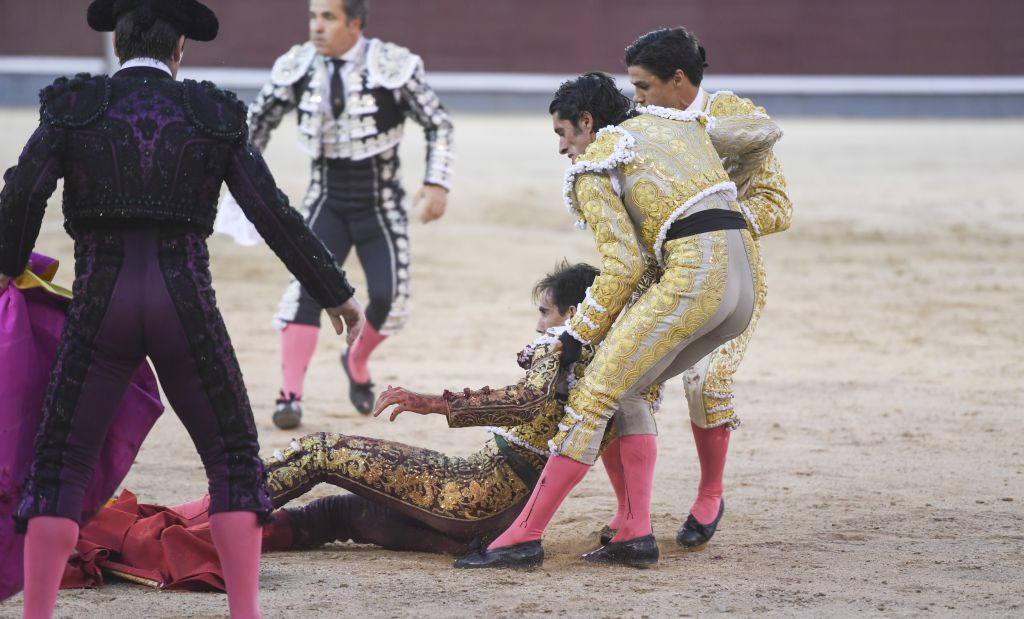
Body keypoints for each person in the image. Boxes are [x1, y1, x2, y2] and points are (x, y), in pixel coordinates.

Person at [0, 1, 364, 616]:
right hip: (185, 306)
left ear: (118, 44)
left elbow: (20, 195)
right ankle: (245, 613)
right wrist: (333, 289)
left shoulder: (74, 107)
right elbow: (269, 209)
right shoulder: (209, 113)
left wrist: (8, 266)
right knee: (232, 459)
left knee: (58, 464)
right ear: (180, 50)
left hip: (100, 308)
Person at [72, 263, 662, 575]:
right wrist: (628, 517)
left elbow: (529, 402)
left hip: (472, 493)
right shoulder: (621, 368)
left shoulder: (564, 346)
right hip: (493, 513)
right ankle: (197, 539)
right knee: (344, 513)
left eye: (546, 312)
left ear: (574, 312)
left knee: (323, 450)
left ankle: (194, 516)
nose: (539, 324)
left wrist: (435, 402)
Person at [456, 72, 780, 569]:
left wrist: (577, 335)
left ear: (587, 123)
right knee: (630, 389)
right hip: (744, 285)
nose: (563, 147)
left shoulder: (597, 161)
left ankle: (523, 537)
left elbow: (624, 265)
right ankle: (634, 531)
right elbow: (764, 133)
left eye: (563, 133)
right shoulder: (676, 128)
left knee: (593, 395)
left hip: (693, 281)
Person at [593, 27, 793, 549]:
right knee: (622, 377)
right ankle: (630, 511)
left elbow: (777, 206)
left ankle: (710, 492)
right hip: (662, 272)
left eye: (643, 86)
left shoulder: (729, 118)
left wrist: (710, 222)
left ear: (678, 79)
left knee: (707, 381)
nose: (636, 97)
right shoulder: (640, 125)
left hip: (730, 270)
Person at [216, 0, 455, 428]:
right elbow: (254, 124)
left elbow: (438, 123)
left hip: (381, 205)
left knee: (389, 298)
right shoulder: (298, 66)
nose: (317, 27)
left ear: (355, 24)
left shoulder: (392, 66)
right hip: (325, 200)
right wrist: (237, 177)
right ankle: (289, 396)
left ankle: (356, 360)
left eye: (328, 18)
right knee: (305, 293)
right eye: (313, 17)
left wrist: (437, 182)